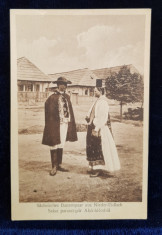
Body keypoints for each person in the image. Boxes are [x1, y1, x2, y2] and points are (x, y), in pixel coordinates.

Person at [42, 77, 78, 176]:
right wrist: (51, 123)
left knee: (61, 143)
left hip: (64, 124)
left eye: (66, 84)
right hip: (55, 124)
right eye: (63, 84)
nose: (65, 86)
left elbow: (70, 110)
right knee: (54, 143)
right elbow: (48, 111)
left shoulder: (67, 96)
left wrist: (69, 122)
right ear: (58, 85)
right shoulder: (52, 97)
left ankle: (59, 164)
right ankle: (54, 166)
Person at [85, 86, 120, 177]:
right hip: (92, 126)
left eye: (95, 91)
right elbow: (92, 112)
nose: (94, 92)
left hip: (99, 128)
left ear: (100, 91)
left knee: (98, 148)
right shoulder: (97, 101)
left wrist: (97, 128)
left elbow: (103, 117)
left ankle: (99, 169)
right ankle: (93, 167)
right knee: (92, 148)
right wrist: (88, 117)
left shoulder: (103, 102)